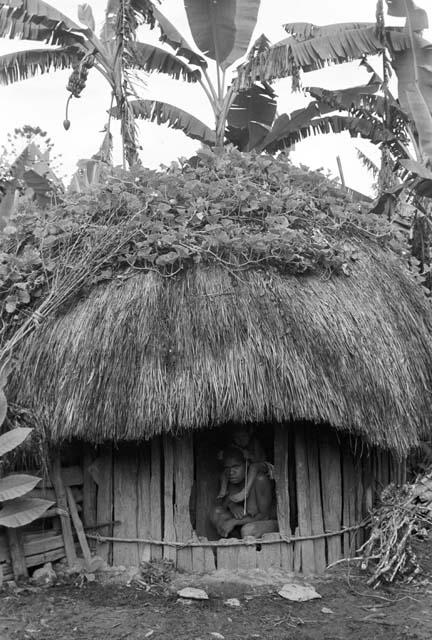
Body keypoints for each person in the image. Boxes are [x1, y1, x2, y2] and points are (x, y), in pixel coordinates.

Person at [210, 446, 278, 539]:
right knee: (216, 513)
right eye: (227, 468)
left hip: (268, 522)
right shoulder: (230, 478)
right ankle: (235, 543)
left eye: (236, 467)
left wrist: (233, 522)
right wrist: (232, 506)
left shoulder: (260, 480)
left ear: (247, 464)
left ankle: (250, 550)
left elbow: (264, 516)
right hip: (246, 520)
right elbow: (223, 503)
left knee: (247, 530)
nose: (231, 472)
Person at [217, 426, 272, 504]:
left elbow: (258, 459)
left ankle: (245, 491)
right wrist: (223, 455)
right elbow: (230, 457)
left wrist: (249, 456)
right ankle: (223, 491)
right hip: (248, 467)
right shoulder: (235, 445)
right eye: (237, 437)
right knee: (226, 471)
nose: (240, 440)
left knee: (253, 467)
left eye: (243, 436)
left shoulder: (255, 443)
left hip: (262, 465)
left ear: (249, 434)